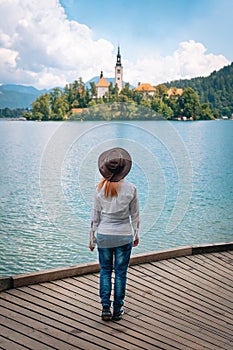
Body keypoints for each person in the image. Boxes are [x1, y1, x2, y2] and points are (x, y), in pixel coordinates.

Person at [89, 147, 140, 321]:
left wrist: (91, 239)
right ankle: (118, 309)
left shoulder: (99, 189)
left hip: (104, 235)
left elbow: (94, 217)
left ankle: (105, 309)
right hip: (124, 235)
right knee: (120, 273)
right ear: (124, 169)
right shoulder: (131, 189)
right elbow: (135, 216)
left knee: (105, 271)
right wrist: (136, 234)